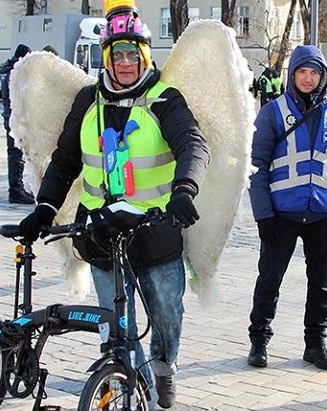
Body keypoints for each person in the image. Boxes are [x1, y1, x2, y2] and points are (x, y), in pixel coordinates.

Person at [17, 2, 210, 409]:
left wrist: (185, 189)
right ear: (107, 57)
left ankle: (163, 370)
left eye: (132, 54)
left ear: (144, 57)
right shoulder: (89, 101)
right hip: (101, 233)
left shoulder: (164, 99)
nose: (125, 63)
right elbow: (66, 160)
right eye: (117, 54)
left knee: (167, 317)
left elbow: (192, 143)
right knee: (116, 326)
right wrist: (45, 208)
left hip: (154, 229)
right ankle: (133, 388)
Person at [246, 44, 327, 371]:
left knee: (322, 283)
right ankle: (259, 339)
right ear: (292, 75)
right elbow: (255, 166)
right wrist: (262, 214)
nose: (308, 78)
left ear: (323, 75)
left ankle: (315, 343)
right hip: (281, 215)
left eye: (314, 72)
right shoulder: (272, 112)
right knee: (269, 279)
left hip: (322, 215)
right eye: (302, 72)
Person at [0, 43, 35, 204]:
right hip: (15, 119)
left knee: (15, 154)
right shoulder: (14, 73)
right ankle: (15, 189)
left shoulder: (7, 71)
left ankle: (16, 188)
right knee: (16, 155)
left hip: (10, 117)